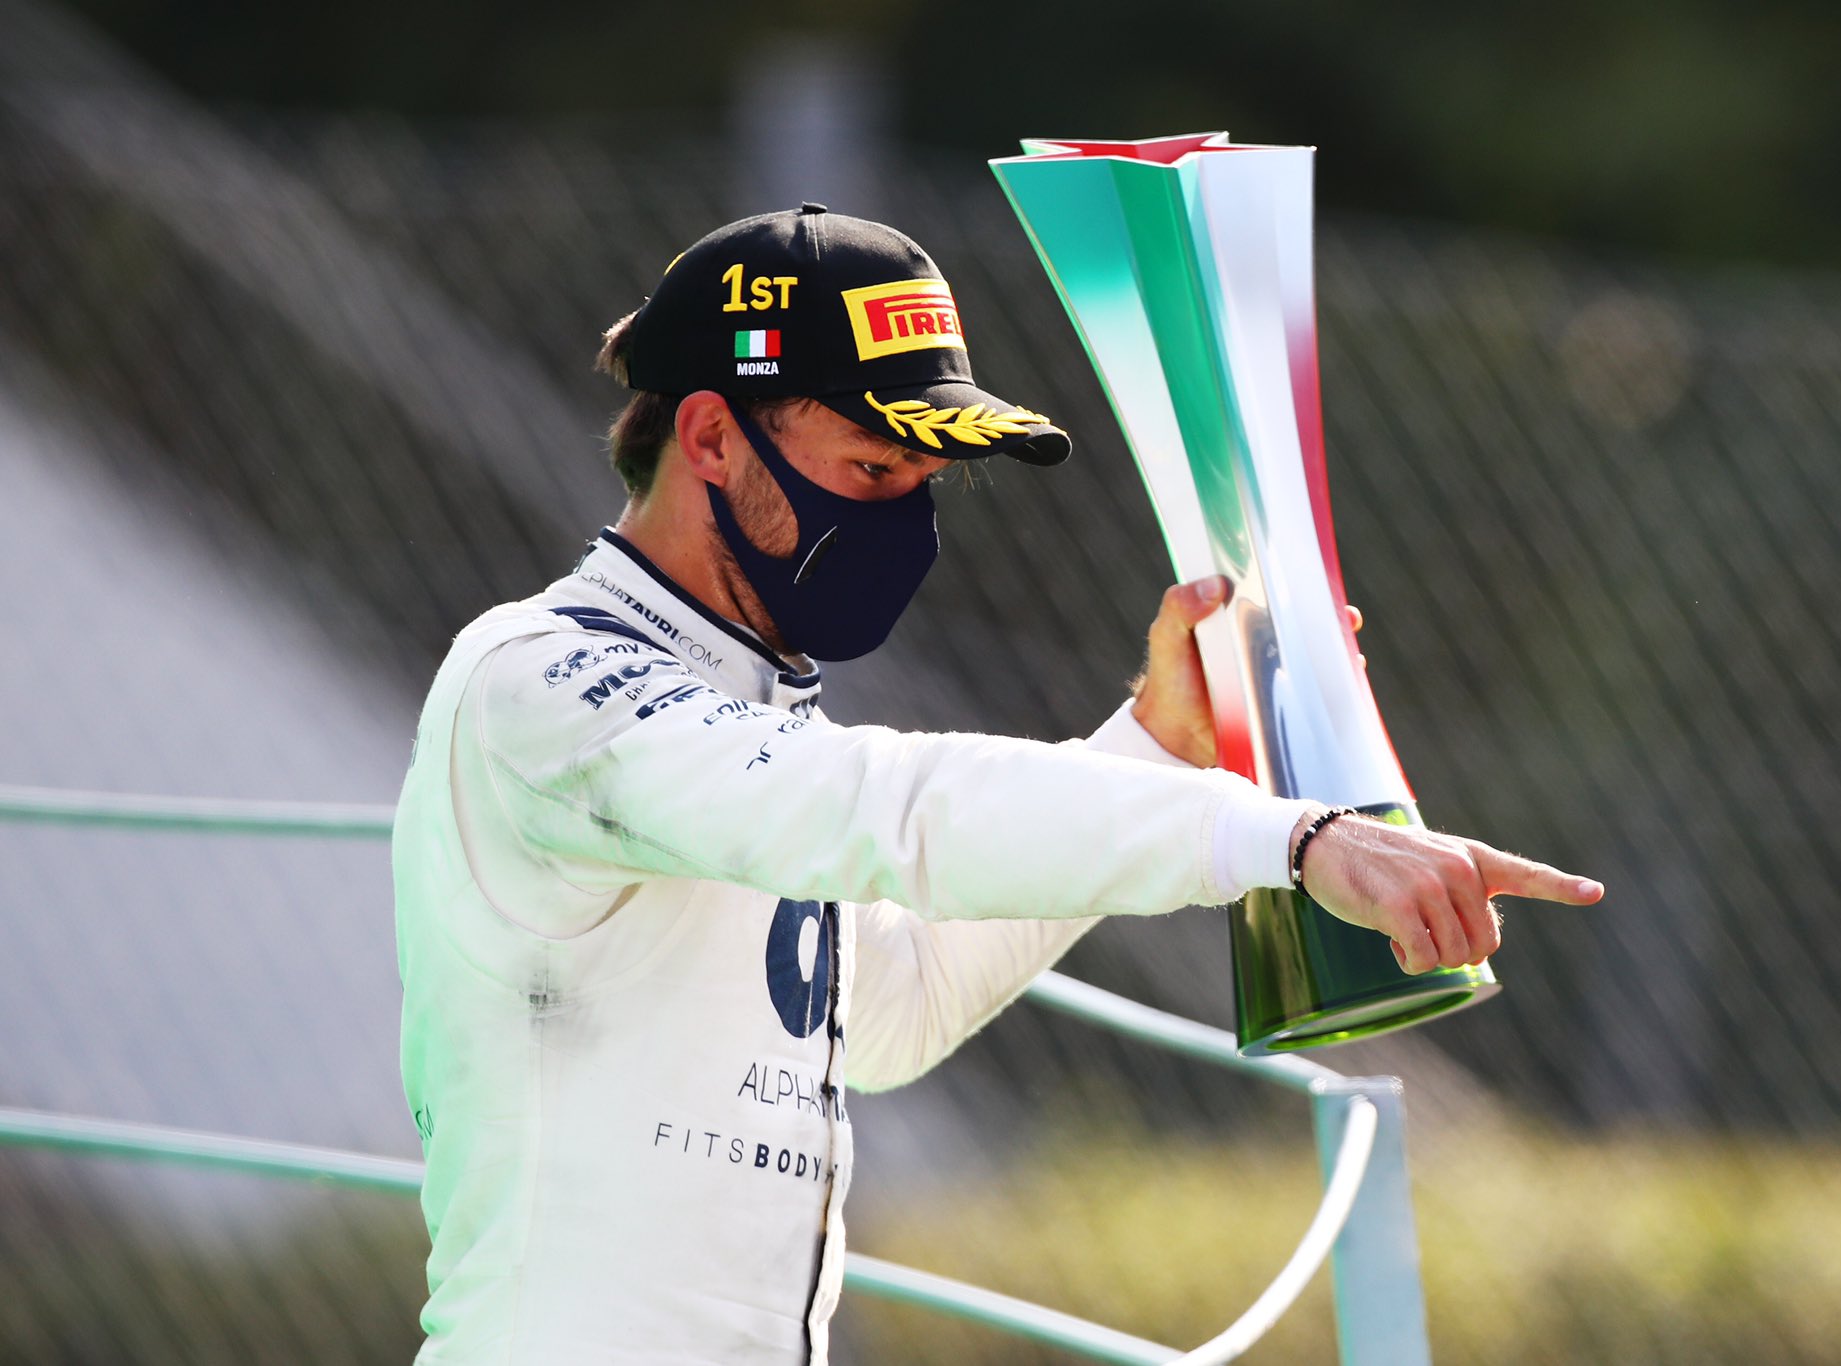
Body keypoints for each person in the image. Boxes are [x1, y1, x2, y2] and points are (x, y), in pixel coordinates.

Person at [391, 203, 1602, 1365]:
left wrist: (1153, 745)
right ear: (708, 438)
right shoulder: (540, 684)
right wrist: (1289, 838)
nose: (904, 518)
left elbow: (894, 1009)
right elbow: (890, 809)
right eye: (874, 467)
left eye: (926, 480)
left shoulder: (749, 721)